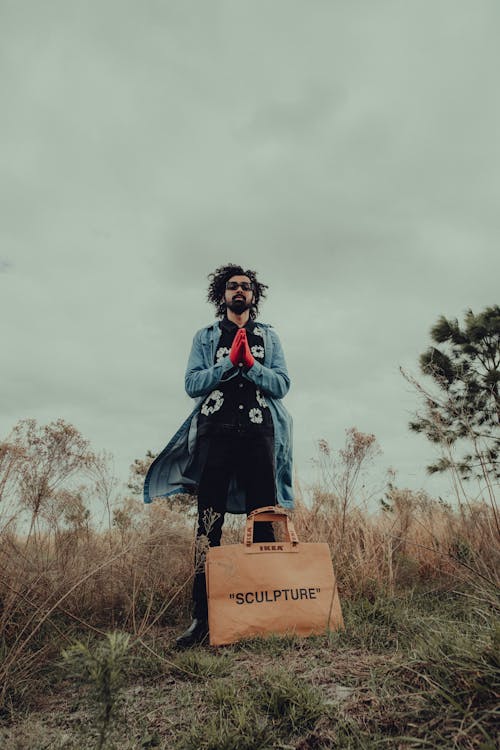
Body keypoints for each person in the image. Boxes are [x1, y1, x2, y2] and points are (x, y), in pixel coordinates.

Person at [143, 263, 293, 647]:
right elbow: (192, 384)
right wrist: (228, 364)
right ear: (222, 295)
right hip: (216, 435)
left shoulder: (269, 337)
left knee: (263, 522)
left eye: (245, 286)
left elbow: (282, 385)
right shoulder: (206, 336)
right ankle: (202, 618)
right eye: (232, 287)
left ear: (253, 295)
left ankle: (265, 611)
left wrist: (252, 365)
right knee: (208, 525)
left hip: (260, 435)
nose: (238, 291)